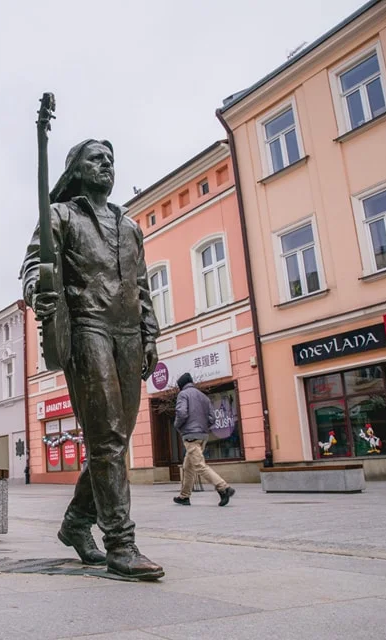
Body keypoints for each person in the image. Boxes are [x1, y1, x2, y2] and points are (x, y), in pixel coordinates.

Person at [22, 139, 163, 580]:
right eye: (96, 159)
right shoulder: (61, 216)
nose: (106, 164)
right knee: (106, 439)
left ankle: (75, 524)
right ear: (76, 171)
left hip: (128, 335)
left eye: (110, 159)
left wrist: (149, 332)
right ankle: (121, 544)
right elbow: (33, 267)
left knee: (115, 440)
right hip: (87, 329)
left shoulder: (129, 225)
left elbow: (141, 285)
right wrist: (38, 292)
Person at [172, 372, 235, 507]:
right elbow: (212, 418)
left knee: (199, 465)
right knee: (188, 466)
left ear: (181, 386)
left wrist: (177, 426)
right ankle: (184, 496)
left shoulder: (183, 395)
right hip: (203, 436)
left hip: (191, 436)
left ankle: (223, 487)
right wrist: (203, 427)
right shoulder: (204, 397)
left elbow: (182, 413)